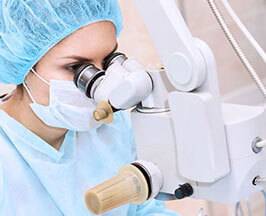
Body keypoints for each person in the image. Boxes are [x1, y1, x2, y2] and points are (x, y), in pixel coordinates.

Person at [0, 0, 179, 215]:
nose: (102, 85)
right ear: (25, 64)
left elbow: (145, 209)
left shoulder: (114, 127)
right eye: (76, 68)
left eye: (108, 62)